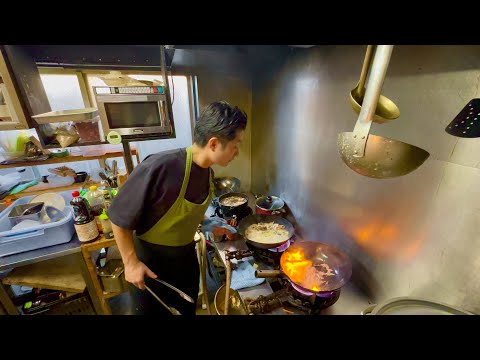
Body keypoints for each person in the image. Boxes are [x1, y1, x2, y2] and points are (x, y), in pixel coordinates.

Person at [107, 100, 247, 315]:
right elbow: (118, 216)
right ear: (213, 144)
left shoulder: (207, 173)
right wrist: (131, 263)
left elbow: (180, 213)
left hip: (184, 260)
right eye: (235, 145)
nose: (237, 152)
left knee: (185, 309)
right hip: (151, 266)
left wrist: (209, 225)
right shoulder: (161, 167)